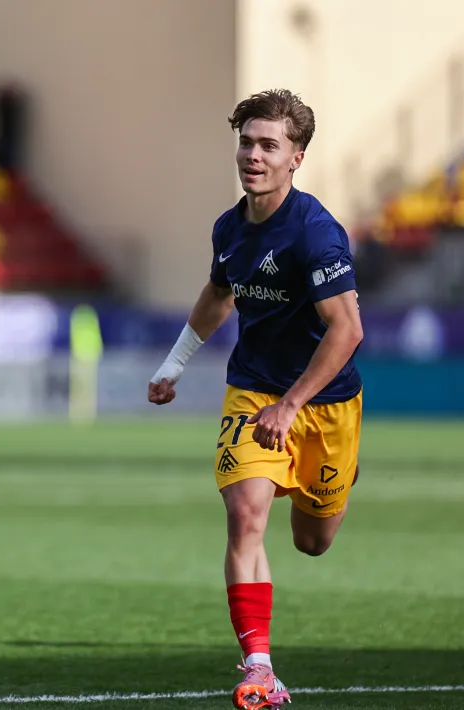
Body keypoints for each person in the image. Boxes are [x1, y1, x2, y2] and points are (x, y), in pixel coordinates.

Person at [147, 89, 363, 710]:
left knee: (312, 541)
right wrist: (174, 365)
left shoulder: (316, 233)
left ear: (296, 158)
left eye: (269, 145)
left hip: (323, 404)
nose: (253, 155)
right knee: (245, 516)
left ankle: (335, 481)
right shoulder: (229, 227)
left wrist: (293, 405)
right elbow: (220, 296)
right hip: (252, 391)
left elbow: (347, 330)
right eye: (247, 142)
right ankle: (259, 667)